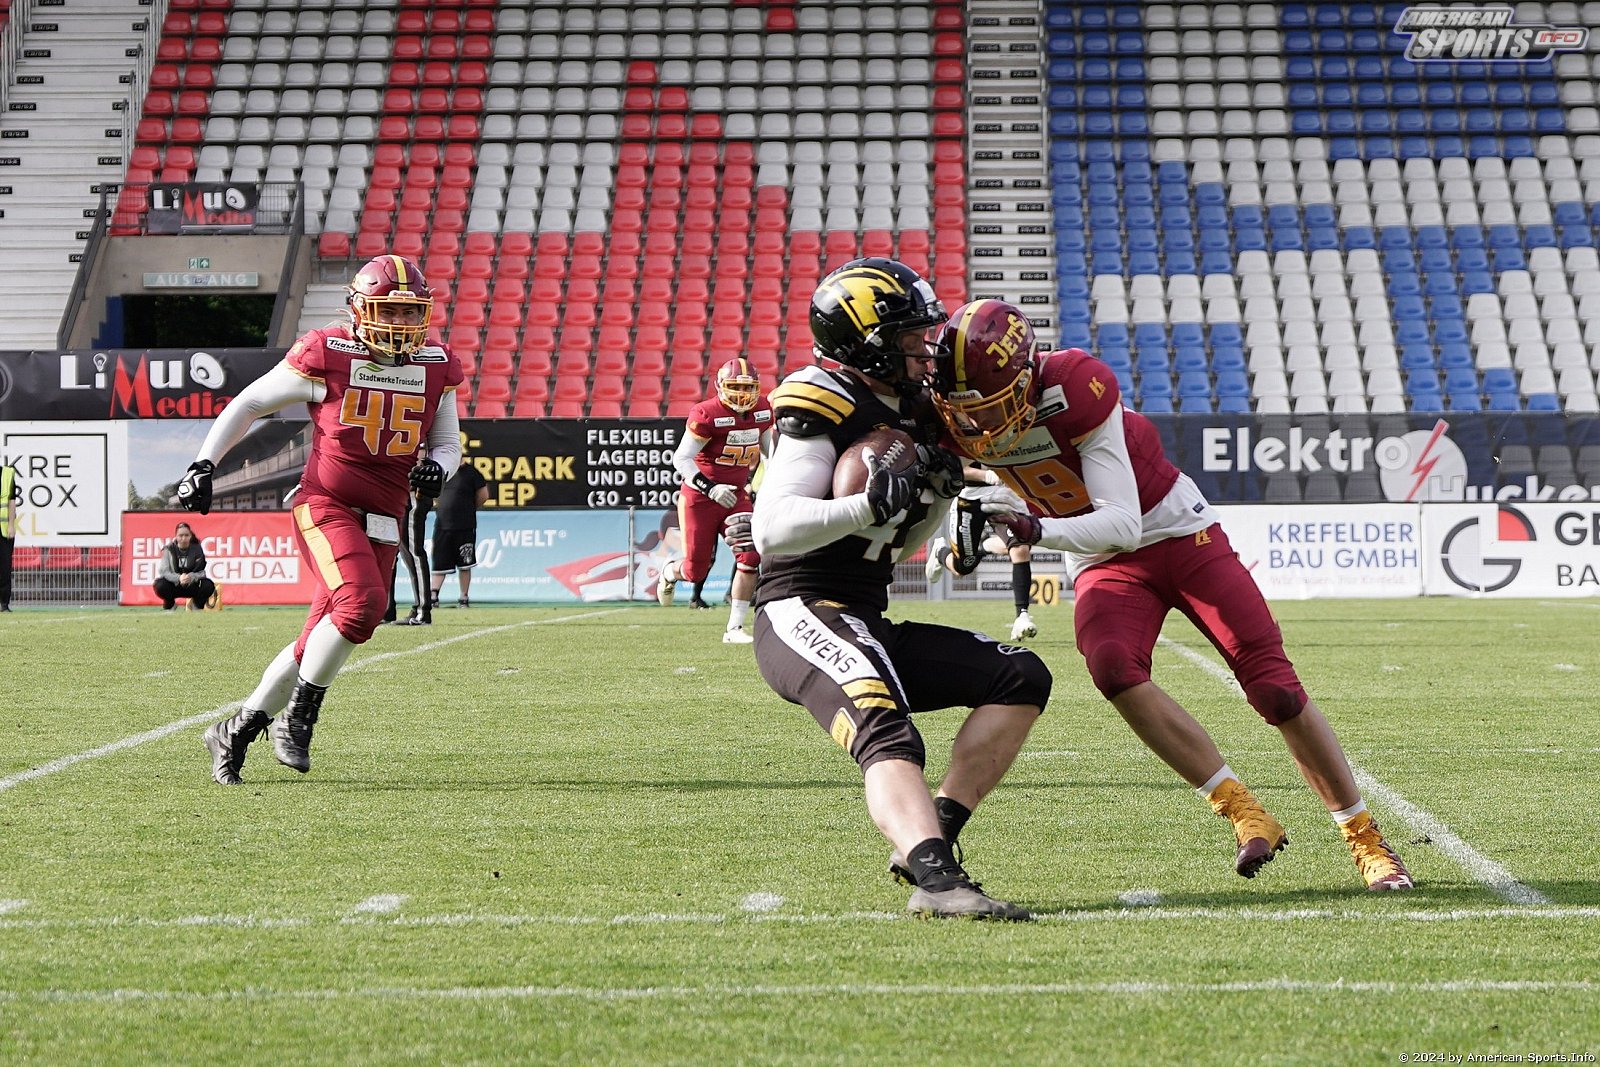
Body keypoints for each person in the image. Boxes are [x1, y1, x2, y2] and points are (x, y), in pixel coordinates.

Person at [928, 298, 1412, 891]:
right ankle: (1243, 811)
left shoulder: (1075, 387)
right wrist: (952, 539)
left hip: (1177, 533)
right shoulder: (946, 415)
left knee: (1275, 689)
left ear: (1028, 378)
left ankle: (1364, 837)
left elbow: (1121, 522)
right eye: (964, 408)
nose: (978, 422)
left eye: (992, 403)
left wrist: (1034, 528)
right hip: (1104, 560)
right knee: (1112, 667)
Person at [745, 258, 1052, 920]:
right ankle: (940, 883)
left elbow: (901, 537)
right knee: (882, 721)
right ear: (863, 343)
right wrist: (867, 504)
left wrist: (946, 507)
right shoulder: (822, 396)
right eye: (909, 336)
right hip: (799, 605)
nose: (924, 347)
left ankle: (926, 836)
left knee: (1021, 676)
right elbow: (772, 528)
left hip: (863, 610)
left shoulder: (917, 410)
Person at [178, 253, 463, 785]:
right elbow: (249, 403)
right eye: (388, 310)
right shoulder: (329, 352)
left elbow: (448, 444)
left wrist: (437, 469)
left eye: (409, 312)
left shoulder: (437, 364)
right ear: (359, 309)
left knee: (320, 638)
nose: (400, 323)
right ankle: (298, 720)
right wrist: (204, 464)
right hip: (327, 503)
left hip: (386, 515)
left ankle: (236, 730)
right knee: (363, 605)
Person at [657, 357, 773, 643]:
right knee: (695, 571)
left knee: (750, 557)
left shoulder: (762, 410)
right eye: (735, 387)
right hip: (700, 497)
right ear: (720, 386)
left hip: (736, 495)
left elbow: (771, 454)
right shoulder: (706, 413)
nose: (742, 394)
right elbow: (681, 459)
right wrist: (710, 488)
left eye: (747, 388)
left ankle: (734, 628)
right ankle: (670, 571)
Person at [923, 464, 1040, 642]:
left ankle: (1022, 615)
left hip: (1003, 495)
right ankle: (941, 553)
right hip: (970, 498)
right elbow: (951, 467)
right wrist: (985, 475)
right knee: (963, 567)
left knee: (1020, 548)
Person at [428, 457, 489, 608]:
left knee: (465, 563)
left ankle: (464, 597)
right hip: (443, 525)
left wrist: (468, 507)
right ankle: (433, 595)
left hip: (464, 525)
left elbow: (483, 495)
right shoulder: (443, 472)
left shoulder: (472, 473)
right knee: (439, 563)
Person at [382, 490, 432, 625]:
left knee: (414, 553)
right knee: (389, 552)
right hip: (393, 495)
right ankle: (387, 609)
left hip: (411, 495)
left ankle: (423, 611)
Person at [152, 521, 218, 610]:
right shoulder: (169, 549)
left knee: (208, 585)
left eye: (186, 535)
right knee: (159, 585)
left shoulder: (197, 549)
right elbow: (164, 572)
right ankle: (170, 605)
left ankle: (196, 606)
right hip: (174, 584)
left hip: (192, 584)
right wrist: (179, 578)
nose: (183, 538)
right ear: (176, 536)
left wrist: (190, 577)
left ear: (190, 536)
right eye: (180, 535)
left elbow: (202, 572)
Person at [0, 460, 18, 613]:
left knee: (5, 567)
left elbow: (11, 501)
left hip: (3, 529)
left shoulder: (7, 473)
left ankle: (4, 604)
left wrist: (11, 525)